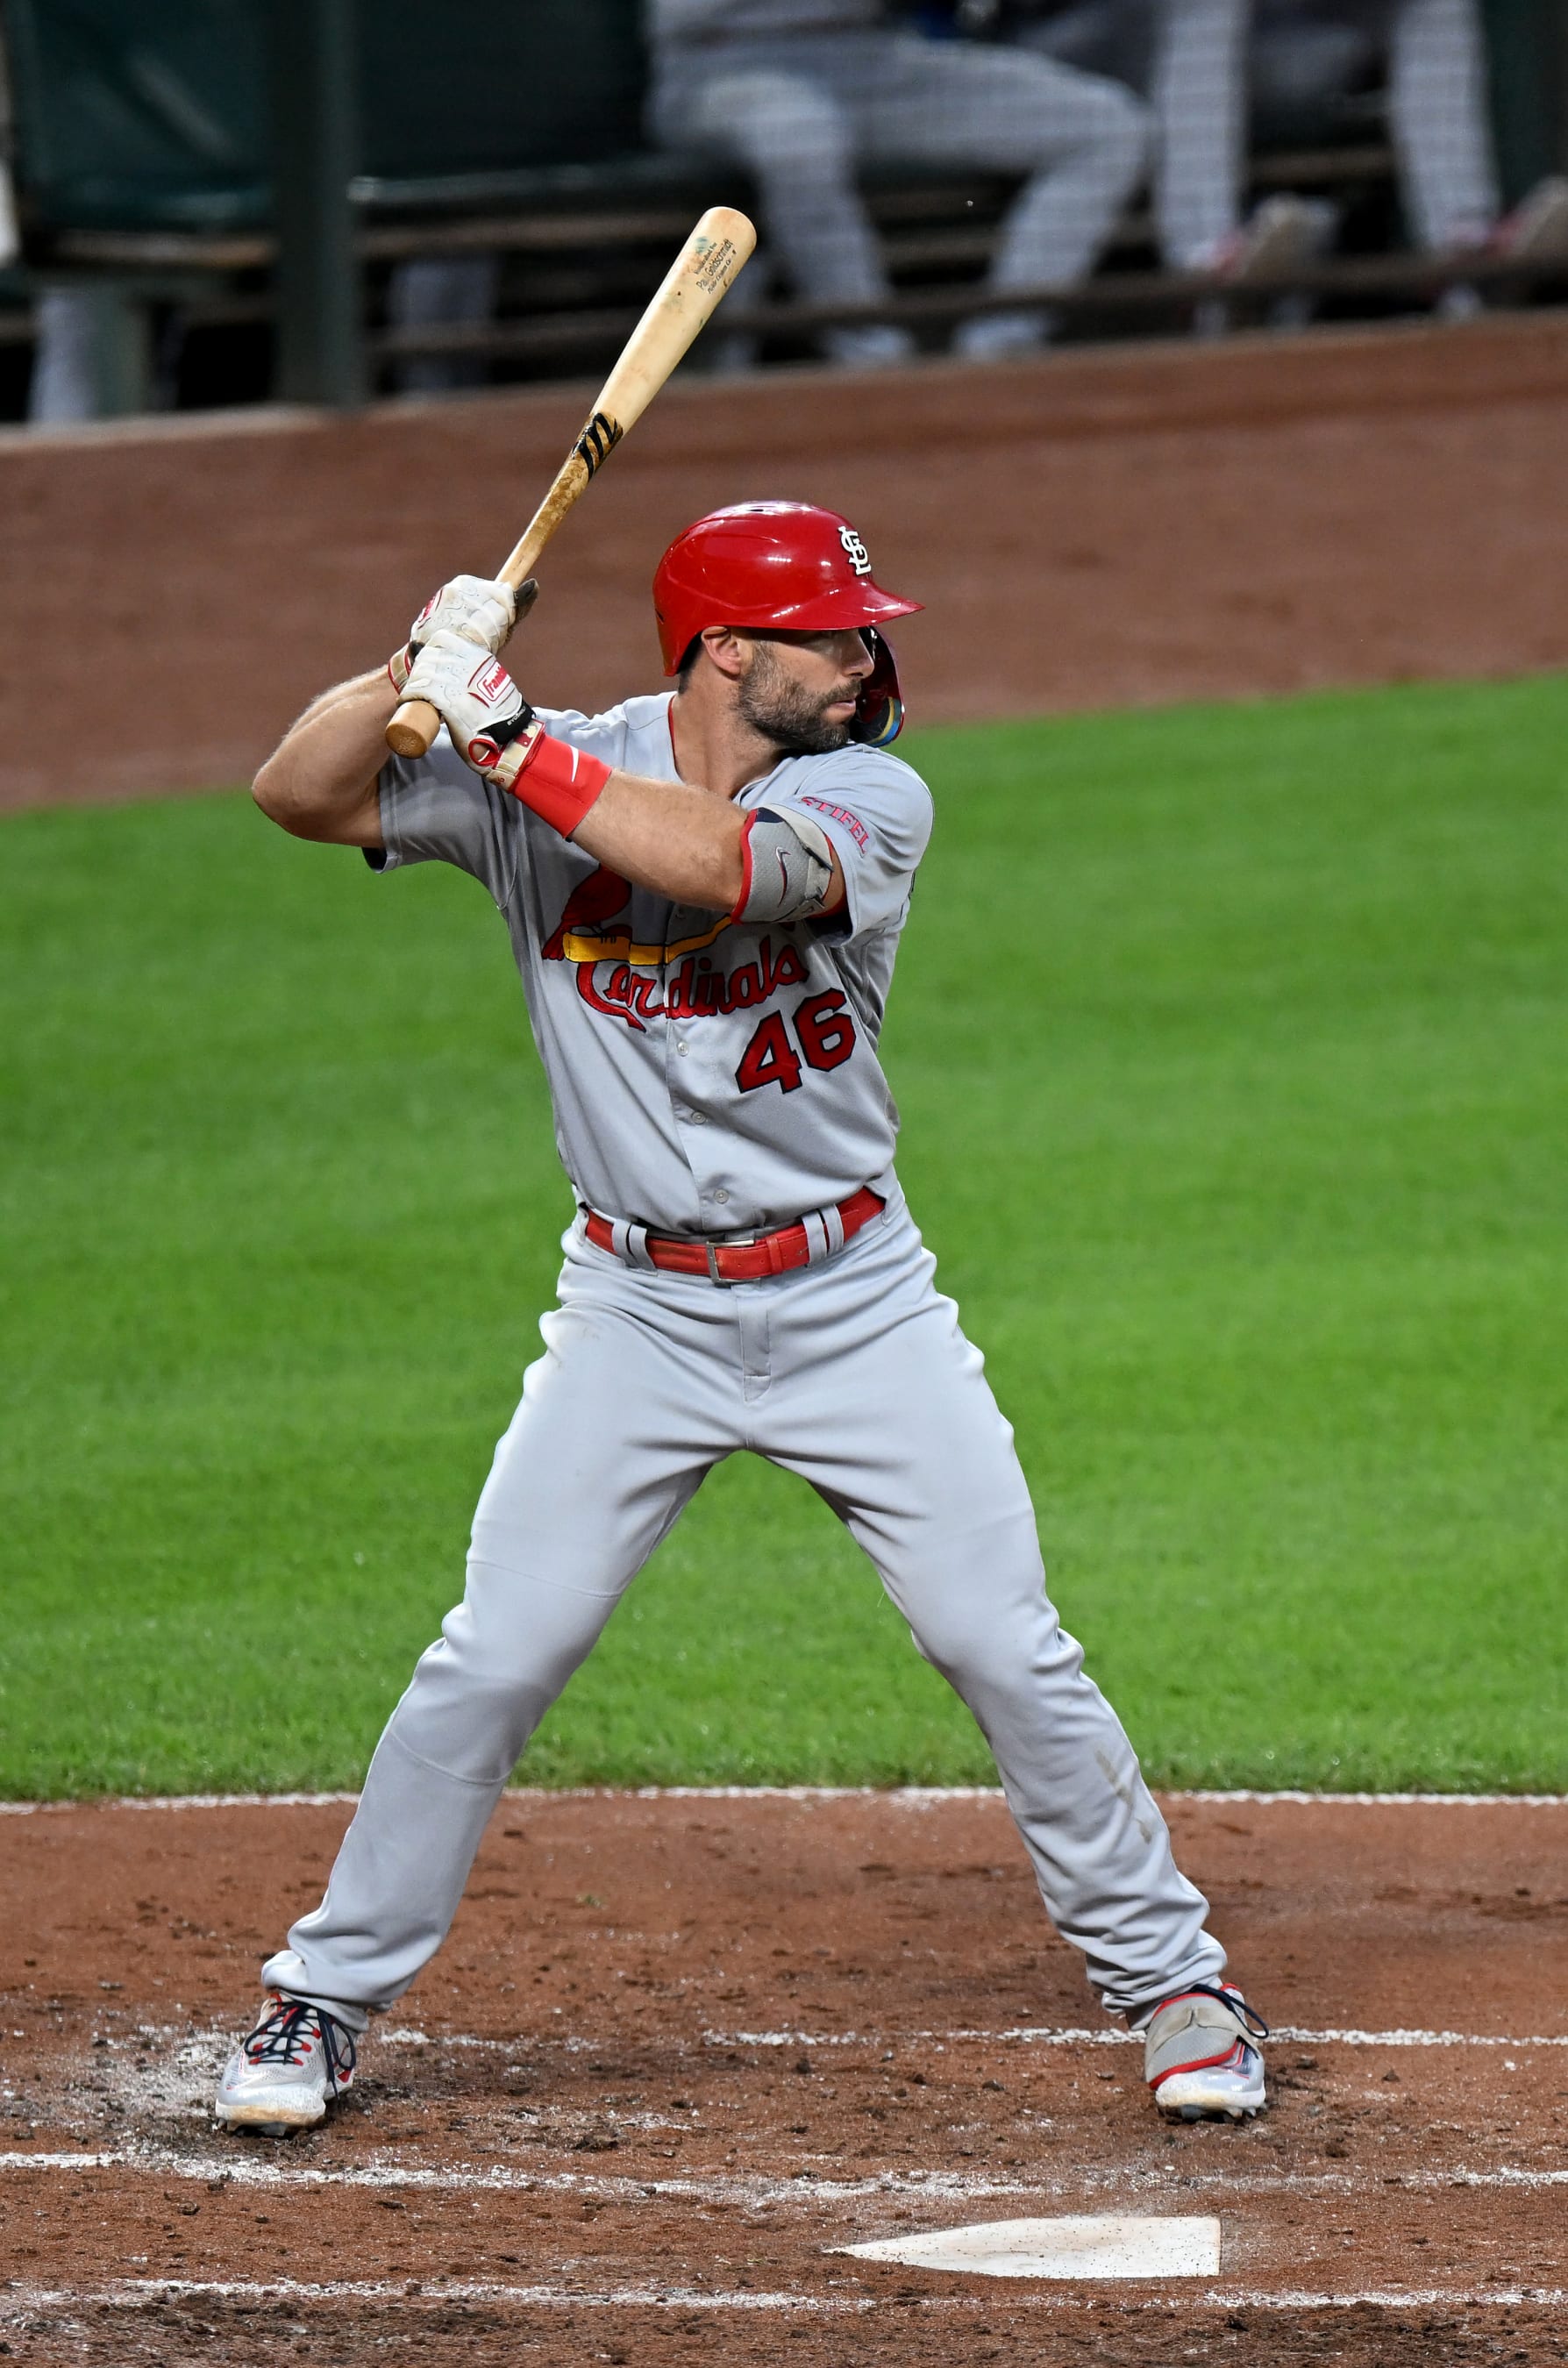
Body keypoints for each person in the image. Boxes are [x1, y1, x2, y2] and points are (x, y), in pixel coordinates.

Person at [213, 501, 1269, 2138]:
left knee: (1002, 1642)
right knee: (493, 1659)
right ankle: (320, 1999)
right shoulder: (539, 759)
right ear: (725, 651)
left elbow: (719, 867)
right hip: (633, 1310)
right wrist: (418, 660)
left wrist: (502, 740)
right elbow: (298, 792)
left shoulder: (865, 793)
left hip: (856, 1300)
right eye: (831, 635)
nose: (865, 660)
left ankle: (1174, 1983)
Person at [645, 0, 1151, 364]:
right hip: (725, 65)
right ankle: (872, 359)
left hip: (873, 58)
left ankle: (1001, 347)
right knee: (799, 140)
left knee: (1104, 127)